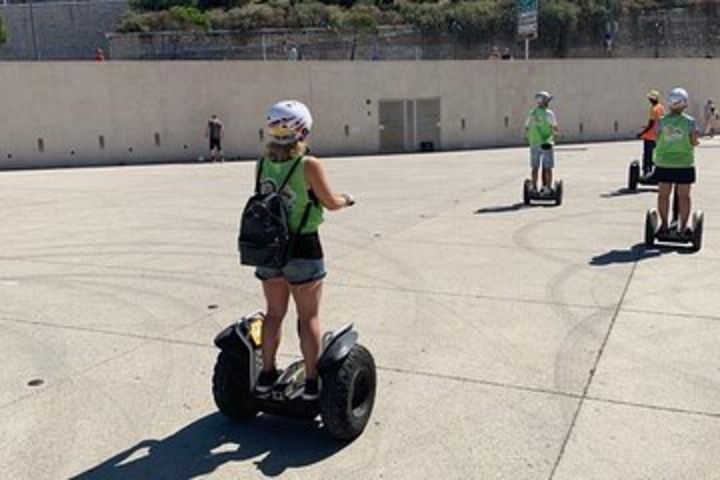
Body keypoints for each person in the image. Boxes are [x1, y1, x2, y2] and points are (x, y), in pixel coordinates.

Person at [253, 100, 355, 401]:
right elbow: (329, 202)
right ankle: (312, 384)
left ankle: (267, 375)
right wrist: (347, 198)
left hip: (270, 247)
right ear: (303, 129)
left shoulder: (261, 163)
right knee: (308, 317)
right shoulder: (308, 164)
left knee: (274, 314)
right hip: (303, 246)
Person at [653, 87, 700, 236]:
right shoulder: (690, 122)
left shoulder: (661, 122)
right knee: (684, 196)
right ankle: (683, 228)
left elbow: (656, 138)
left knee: (663, 194)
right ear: (685, 104)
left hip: (664, 163)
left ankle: (665, 226)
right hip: (684, 164)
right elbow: (693, 141)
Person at [525, 91, 560, 194]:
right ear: (545, 102)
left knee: (535, 167)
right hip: (546, 143)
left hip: (534, 142)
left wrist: (530, 136)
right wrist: (556, 134)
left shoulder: (532, 113)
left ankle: (534, 188)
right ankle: (547, 188)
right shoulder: (549, 114)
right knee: (547, 167)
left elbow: (526, 126)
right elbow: (555, 128)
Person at [636, 90, 665, 175]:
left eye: (650, 98)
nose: (649, 100)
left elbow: (651, 124)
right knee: (657, 154)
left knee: (647, 155)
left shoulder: (653, 109)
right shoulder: (661, 107)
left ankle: (646, 171)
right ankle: (657, 170)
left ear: (652, 99)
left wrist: (641, 133)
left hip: (650, 136)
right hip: (658, 136)